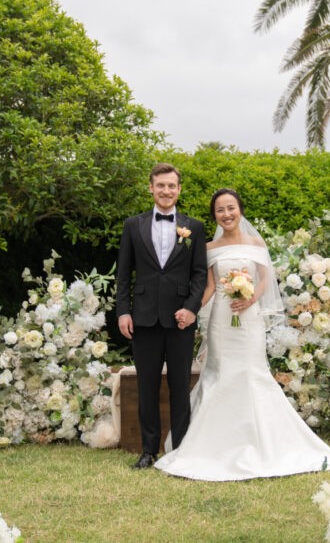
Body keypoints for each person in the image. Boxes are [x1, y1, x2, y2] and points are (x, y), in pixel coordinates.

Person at [155, 188, 330, 481]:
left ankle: (262, 444)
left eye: (231, 208)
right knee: (220, 374)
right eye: (220, 210)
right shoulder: (210, 247)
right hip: (221, 322)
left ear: (240, 209)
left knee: (253, 374)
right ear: (214, 215)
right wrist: (190, 310)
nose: (226, 214)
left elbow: (265, 279)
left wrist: (251, 299)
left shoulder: (256, 242)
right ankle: (211, 447)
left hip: (249, 320)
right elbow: (211, 287)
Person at [115, 163, 208, 469]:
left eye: (172, 186)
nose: (166, 191)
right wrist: (123, 312)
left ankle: (180, 450)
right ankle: (148, 450)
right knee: (147, 386)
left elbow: (198, 275)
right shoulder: (133, 226)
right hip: (143, 318)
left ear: (179, 189)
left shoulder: (194, 227)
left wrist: (191, 309)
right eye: (161, 185)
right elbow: (124, 275)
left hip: (180, 319)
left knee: (180, 386)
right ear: (151, 188)